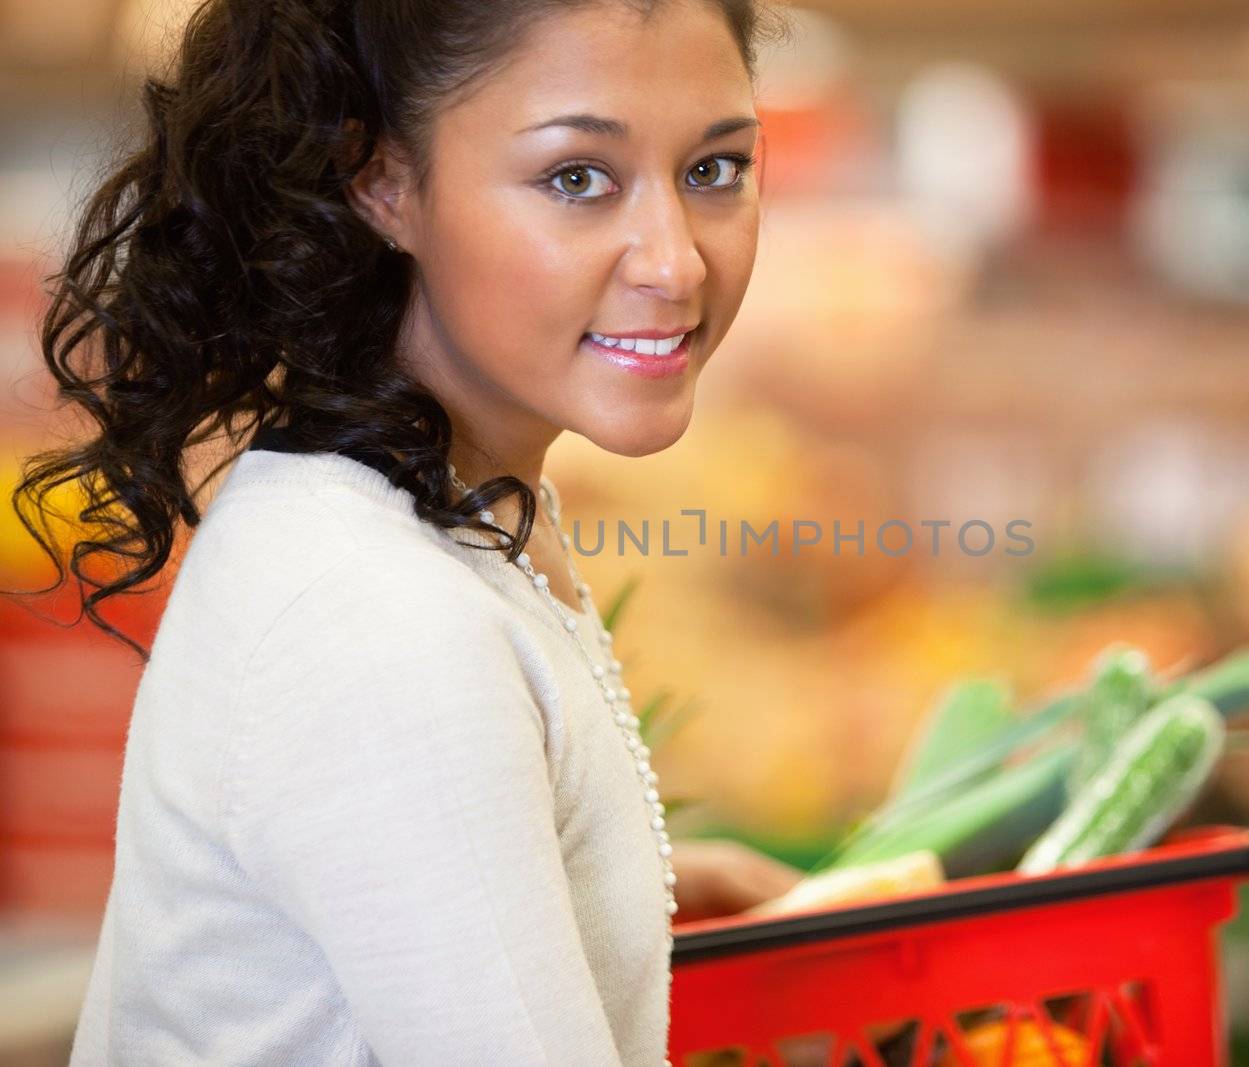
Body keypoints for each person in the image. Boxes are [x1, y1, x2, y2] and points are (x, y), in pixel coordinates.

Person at [7, 0, 803, 1062]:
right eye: (576, 177)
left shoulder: (414, 511)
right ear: (380, 180)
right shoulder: (381, 622)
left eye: (714, 169)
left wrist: (620, 876)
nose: (677, 263)